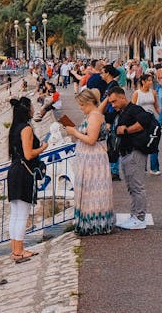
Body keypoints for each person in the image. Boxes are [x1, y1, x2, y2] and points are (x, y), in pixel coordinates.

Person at [63, 88, 115, 236]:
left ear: (87, 102)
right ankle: (91, 222)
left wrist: (74, 132)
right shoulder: (93, 115)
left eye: (81, 105)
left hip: (94, 159)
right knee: (89, 190)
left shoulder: (94, 116)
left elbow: (91, 139)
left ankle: (94, 224)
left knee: (92, 191)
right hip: (90, 158)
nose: (80, 108)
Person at [6, 97, 47, 262]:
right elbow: (29, 154)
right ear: (27, 110)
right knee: (22, 215)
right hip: (24, 173)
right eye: (31, 107)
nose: (33, 109)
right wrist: (43, 148)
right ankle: (20, 250)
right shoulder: (27, 129)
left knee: (15, 214)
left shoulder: (14, 128)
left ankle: (15, 250)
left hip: (14, 170)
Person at [107, 86, 151, 229]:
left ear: (122, 97)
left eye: (114, 101)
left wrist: (126, 130)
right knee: (132, 187)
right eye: (110, 103)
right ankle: (135, 216)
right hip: (126, 153)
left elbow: (146, 122)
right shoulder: (122, 111)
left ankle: (139, 218)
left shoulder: (134, 109)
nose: (113, 105)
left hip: (135, 152)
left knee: (137, 187)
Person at [133, 73, 161, 175]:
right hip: (140, 121)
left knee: (154, 143)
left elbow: (157, 106)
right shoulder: (137, 93)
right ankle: (141, 168)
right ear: (143, 81)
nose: (150, 82)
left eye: (151, 80)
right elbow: (133, 108)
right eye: (148, 80)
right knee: (142, 144)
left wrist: (160, 115)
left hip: (152, 120)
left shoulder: (153, 92)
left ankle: (154, 168)